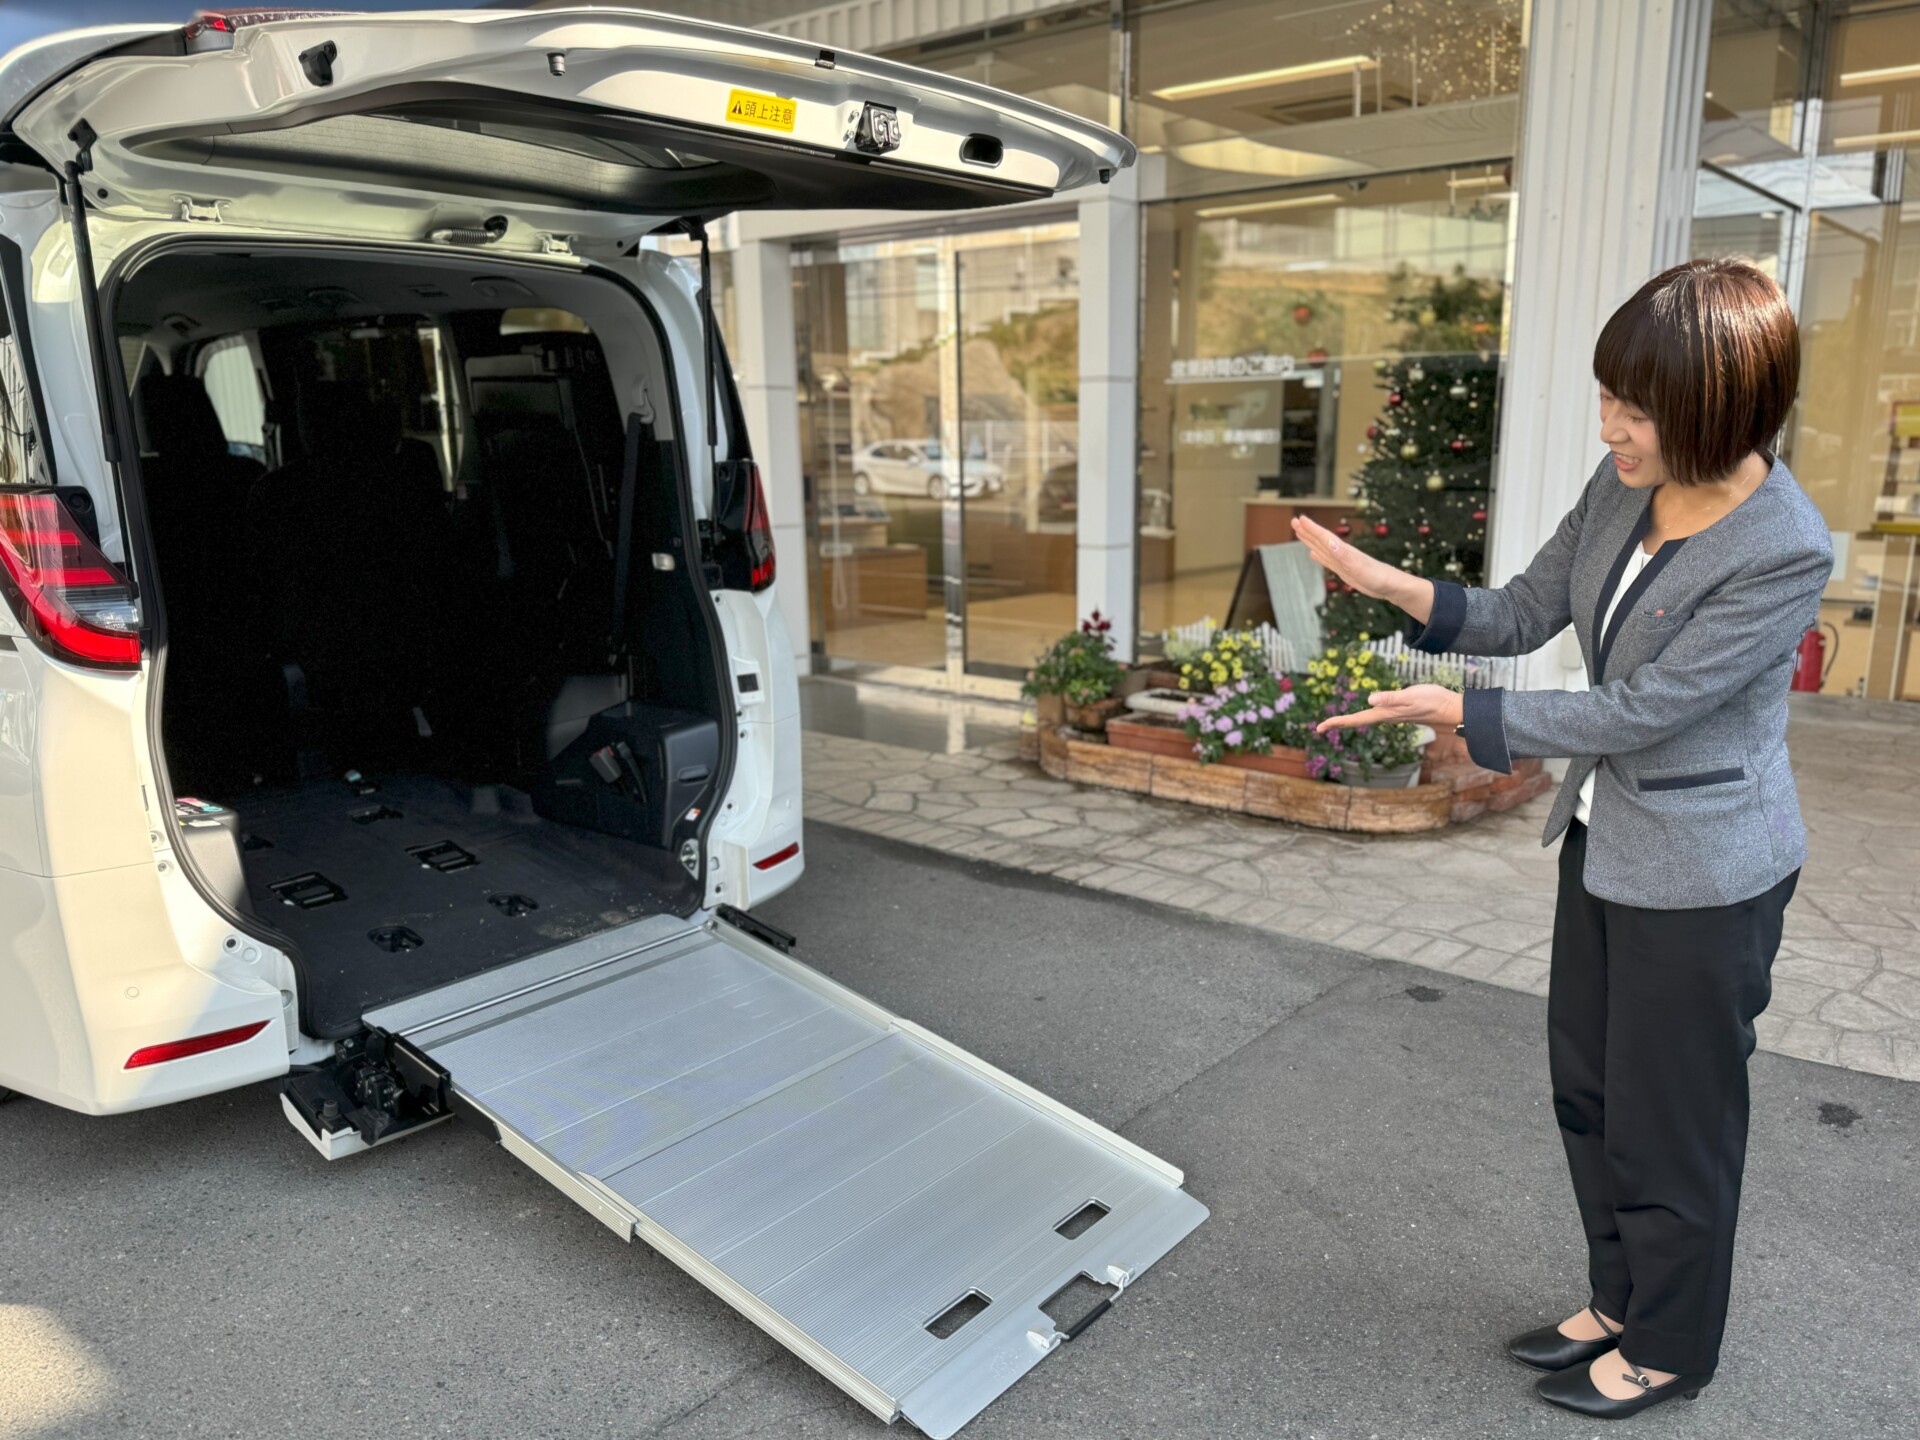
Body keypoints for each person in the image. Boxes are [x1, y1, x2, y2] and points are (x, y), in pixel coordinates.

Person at [1293, 258, 1832, 1419]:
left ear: (1720, 405)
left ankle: (1672, 1345)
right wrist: (1395, 587)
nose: (1609, 428)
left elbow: (1645, 710)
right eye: (1608, 400)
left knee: (1672, 1121)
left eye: (1635, 409)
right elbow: (1529, 609)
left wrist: (1468, 716)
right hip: (1606, 836)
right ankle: (1618, 1300)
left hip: (1706, 872)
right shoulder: (1627, 483)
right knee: (1589, 1092)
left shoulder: (1784, 545)